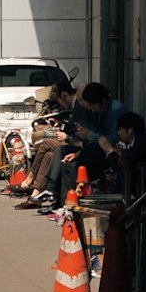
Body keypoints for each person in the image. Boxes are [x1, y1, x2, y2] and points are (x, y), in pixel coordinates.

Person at [13, 82, 80, 211]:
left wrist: (65, 132)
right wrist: (60, 124)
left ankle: (31, 179)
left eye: (60, 102)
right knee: (49, 155)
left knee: (46, 143)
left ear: (64, 95)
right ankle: (37, 194)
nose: (61, 105)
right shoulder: (75, 106)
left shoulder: (78, 105)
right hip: (73, 141)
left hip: (76, 144)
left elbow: (79, 130)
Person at [60, 81, 127, 198]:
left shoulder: (115, 110)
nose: (92, 110)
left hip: (110, 153)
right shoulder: (102, 110)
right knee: (68, 163)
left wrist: (90, 135)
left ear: (101, 100)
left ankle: (72, 200)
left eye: (93, 106)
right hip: (97, 149)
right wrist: (78, 153)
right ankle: (65, 200)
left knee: (76, 166)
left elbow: (112, 139)